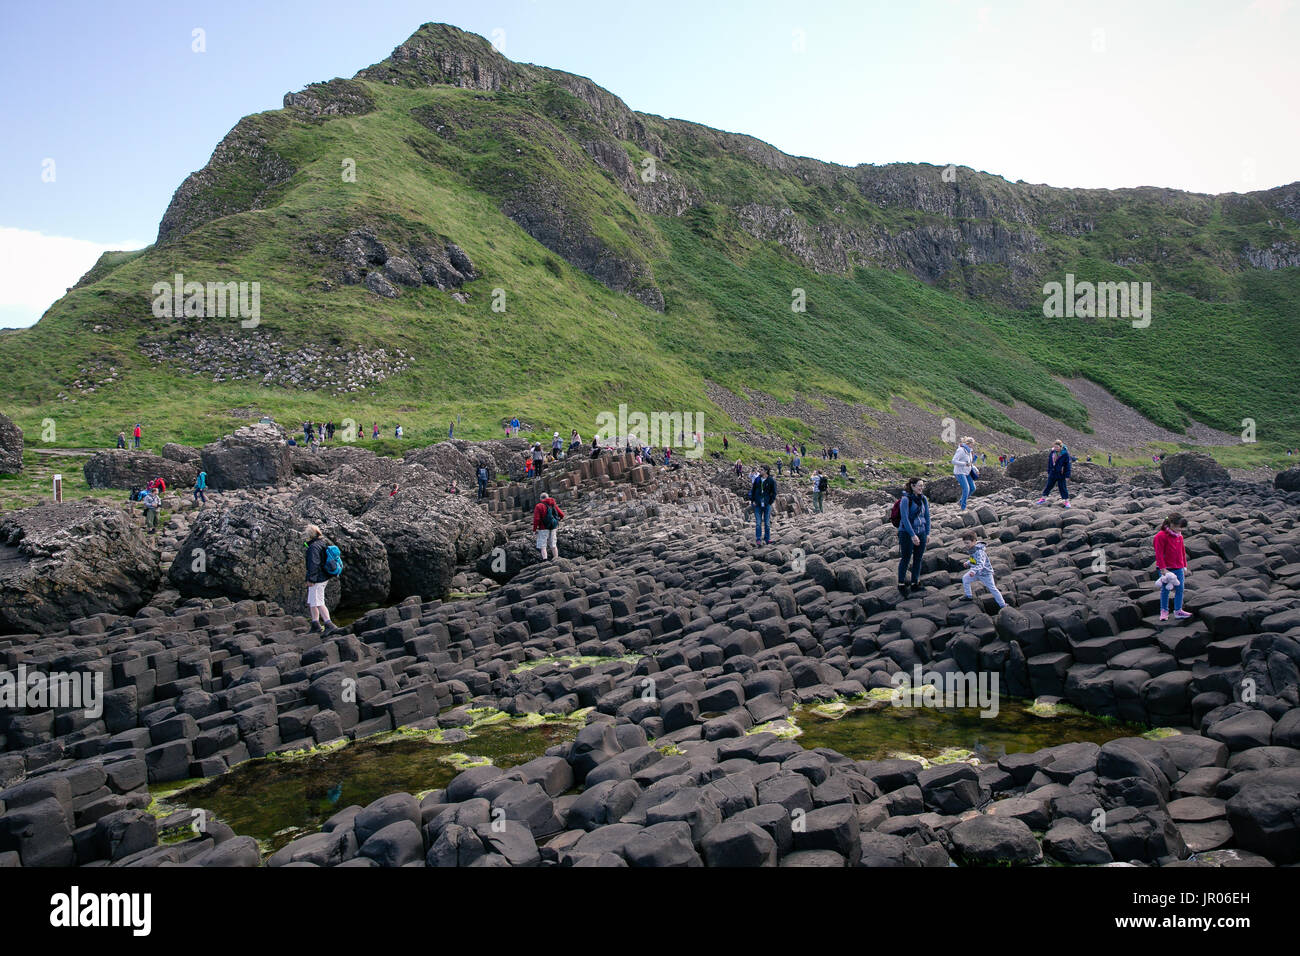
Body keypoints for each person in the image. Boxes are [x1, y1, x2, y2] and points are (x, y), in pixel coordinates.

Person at [1154, 513, 1192, 622]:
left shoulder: (1179, 535)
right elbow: (1159, 554)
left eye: (1181, 527)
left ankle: (1178, 610)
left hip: (1178, 567)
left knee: (1180, 589)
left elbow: (1182, 552)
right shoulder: (1160, 536)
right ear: (1171, 524)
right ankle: (1164, 611)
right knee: (1165, 590)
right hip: (1166, 568)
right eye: (1178, 527)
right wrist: (1163, 569)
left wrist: (1184, 566)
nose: (1180, 529)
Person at [896, 477, 930, 595]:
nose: (921, 488)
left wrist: (927, 532)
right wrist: (912, 535)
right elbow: (905, 519)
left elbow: (927, 517)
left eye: (922, 485)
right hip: (906, 533)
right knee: (906, 558)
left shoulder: (924, 499)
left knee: (918, 558)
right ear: (912, 486)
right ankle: (901, 584)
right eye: (919, 485)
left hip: (921, 531)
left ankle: (915, 582)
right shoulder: (905, 500)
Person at [304, 525, 340, 636]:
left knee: (319, 602)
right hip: (323, 577)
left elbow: (314, 564)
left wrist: (311, 579)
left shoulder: (313, 547)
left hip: (318, 579)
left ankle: (329, 624)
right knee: (313, 601)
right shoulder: (321, 543)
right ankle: (315, 624)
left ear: (310, 535)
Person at [960, 529, 1006, 608]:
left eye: (967, 543)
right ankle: (968, 596)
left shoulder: (979, 551)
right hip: (976, 572)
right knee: (965, 578)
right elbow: (973, 559)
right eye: (965, 543)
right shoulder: (972, 549)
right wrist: (968, 563)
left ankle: (1003, 605)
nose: (966, 545)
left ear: (974, 541)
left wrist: (973, 571)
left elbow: (981, 563)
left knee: (992, 589)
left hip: (985, 573)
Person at [1036, 440, 1072, 507]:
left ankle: (1066, 501)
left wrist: (1067, 475)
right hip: (1053, 473)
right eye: (1055, 447)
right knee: (1048, 486)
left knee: (1062, 487)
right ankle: (1043, 498)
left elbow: (1068, 465)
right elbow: (1050, 463)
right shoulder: (1052, 452)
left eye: (1057, 447)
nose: (1056, 448)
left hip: (1061, 474)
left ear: (1061, 447)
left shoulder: (1065, 454)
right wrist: (1049, 471)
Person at [532, 493, 565, 560]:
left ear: (540, 499)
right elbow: (562, 515)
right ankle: (556, 559)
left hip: (543, 528)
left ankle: (545, 560)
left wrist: (534, 529)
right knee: (553, 544)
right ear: (548, 497)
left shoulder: (539, 506)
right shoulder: (553, 504)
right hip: (553, 527)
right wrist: (558, 521)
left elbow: (536, 519)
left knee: (543, 545)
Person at [750, 466, 776, 544]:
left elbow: (774, 492)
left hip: (767, 504)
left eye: (761, 470)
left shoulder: (771, 480)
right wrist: (753, 500)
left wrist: (770, 502)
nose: (759, 471)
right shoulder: (757, 479)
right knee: (758, 523)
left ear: (766, 471)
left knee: (767, 523)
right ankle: (758, 539)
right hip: (757, 504)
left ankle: (767, 539)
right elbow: (753, 490)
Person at [952, 436, 977, 511]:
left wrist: (975, 469)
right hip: (960, 472)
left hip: (967, 472)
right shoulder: (961, 450)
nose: (973, 445)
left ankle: (961, 501)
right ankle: (963, 507)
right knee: (966, 488)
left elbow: (970, 463)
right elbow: (953, 461)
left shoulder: (969, 451)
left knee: (973, 488)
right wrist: (964, 464)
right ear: (968, 443)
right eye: (972, 444)